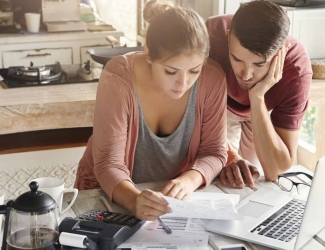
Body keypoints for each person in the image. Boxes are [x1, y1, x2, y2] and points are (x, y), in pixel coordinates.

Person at [74, 0, 228, 221]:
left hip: (166, 200)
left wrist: (188, 181)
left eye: (194, 71)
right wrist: (134, 200)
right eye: (170, 71)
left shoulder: (213, 78)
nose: (183, 83)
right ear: (148, 54)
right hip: (107, 192)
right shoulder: (118, 77)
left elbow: (214, 151)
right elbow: (109, 163)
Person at [205, 0, 312, 189]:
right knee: (219, 172)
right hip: (213, 105)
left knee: (253, 178)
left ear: (281, 53)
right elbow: (187, 115)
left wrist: (257, 97)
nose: (246, 75)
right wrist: (230, 157)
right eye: (237, 59)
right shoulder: (209, 37)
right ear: (228, 38)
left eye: (259, 64)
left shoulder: (296, 70)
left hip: (261, 109)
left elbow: (276, 169)